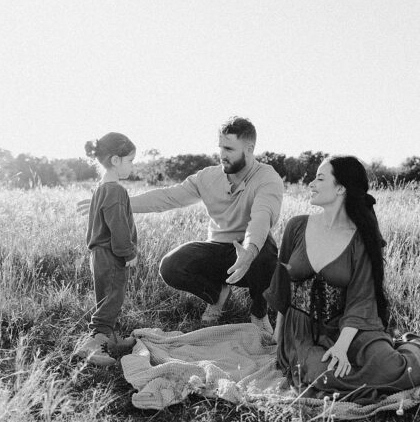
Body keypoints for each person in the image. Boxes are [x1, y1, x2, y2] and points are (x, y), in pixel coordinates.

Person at [263, 156, 420, 403]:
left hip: (350, 326)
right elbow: (281, 283)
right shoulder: (297, 227)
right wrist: (279, 335)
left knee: (393, 369)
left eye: (319, 178)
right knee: (324, 376)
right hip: (303, 333)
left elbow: (362, 298)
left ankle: (418, 348)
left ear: (340, 188)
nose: (311, 184)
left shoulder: (361, 238)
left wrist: (341, 346)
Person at [89, 117, 284, 333]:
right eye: (220, 147)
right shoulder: (208, 176)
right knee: (171, 265)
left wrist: (249, 250)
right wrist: (116, 204)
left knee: (265, 250)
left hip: (251, 252)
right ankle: (216, 295)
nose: (222, 154)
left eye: (229, 148)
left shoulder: (268, 178)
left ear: (249, 148)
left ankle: (258, 313)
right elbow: (169, 197)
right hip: (218, 249)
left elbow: (261, 216)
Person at [74, 133, 138, 366]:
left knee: (106, 298)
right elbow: (118, 227)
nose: (132, 165)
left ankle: (109, 339)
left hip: (98, 255)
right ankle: (93, 345)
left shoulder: (100, 189)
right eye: (130, 160)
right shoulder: (116, 190)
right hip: (112, 255)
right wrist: (128, 253)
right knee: (113, 297)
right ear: (115, 160)